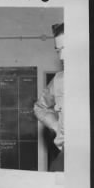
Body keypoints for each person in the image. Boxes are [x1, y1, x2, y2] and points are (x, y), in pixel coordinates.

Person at [34, 23, 64, 171]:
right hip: (68, 155)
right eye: (59, 50)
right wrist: (57, 127)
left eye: (67, 49)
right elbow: (40, 107)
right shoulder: (59, 80)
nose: (62, 56)